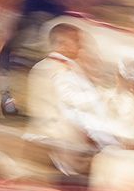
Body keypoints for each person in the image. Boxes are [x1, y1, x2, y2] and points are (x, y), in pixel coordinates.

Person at [24, 23, 118, 181]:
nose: (81, 47)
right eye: (77, 41)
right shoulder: (63, 71)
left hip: (51, 140)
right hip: (66, 146)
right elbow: (75, 107)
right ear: (63, 44)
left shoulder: (44, 67)